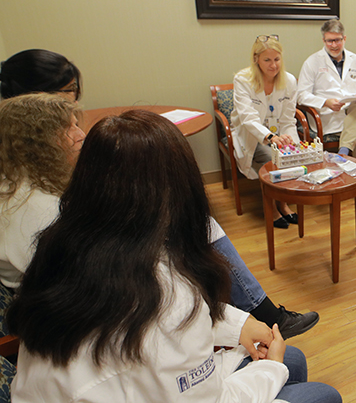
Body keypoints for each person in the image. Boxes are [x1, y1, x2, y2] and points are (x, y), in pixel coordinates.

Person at [6, 108, 342, 403]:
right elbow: (197, 373)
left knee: (292, 360)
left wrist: (239, 326)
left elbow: (164, 329)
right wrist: (271, 369)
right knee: (321, 393)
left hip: (109, 382)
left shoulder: (67, 241)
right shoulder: (169, 295)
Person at [0, 49, 318, 339]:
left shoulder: (32, 164)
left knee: (196, 223)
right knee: (189, 231)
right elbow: (78, 275)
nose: (80, 131)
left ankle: (253, 316)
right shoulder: (27, 202)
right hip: (91, 303)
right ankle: (246, 320)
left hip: (97, 266)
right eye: (66, 106)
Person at [297, 18, 356, 205]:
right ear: (323, 41)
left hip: (353, 112)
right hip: (326, 116)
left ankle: (342, 153)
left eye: (337, 40)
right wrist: (325, 102)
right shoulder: (312, 62)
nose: (334, 45)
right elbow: (301, 95)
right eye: (329, 41)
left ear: (345, 38)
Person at [231, 35, 300, 229]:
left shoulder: (289, 81)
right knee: (272, 160)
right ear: (256, 59)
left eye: (277, 59)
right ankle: (271, 206)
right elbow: (248, 119)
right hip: (253, 135)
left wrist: (290, 141)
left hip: (278, 135)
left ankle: (283, 203)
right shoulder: (243, 80)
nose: (273, 65)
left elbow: (288, 120)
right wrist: (270, 138)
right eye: (267, 60)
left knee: (291, 156)